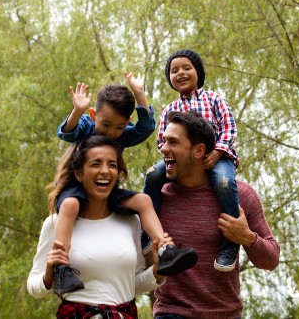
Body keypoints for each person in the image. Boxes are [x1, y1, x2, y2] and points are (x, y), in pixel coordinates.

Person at [53, 73, 197, 295]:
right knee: (70, 205)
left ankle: (165, 249)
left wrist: (139, 93)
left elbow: (146, 128)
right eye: (106, 124)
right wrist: (78, 110)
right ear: (93, 115)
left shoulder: (122, 136)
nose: (111, 133)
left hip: (108, 191)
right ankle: (61, 268)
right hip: (76, 189)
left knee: (143, 200)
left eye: (119, 127)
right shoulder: (86, 125)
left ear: (126, 123)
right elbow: (66, 133)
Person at [28, 135, 174, 318]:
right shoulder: (56, 223)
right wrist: (48, 275)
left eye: (112, 165)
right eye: (96, 164)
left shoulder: (131, 222)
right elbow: (34, 287)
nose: (105, 171)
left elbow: (133, 284)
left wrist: (157, 272)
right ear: (78, 173)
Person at [152, 111, 280, 319]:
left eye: (173, 142)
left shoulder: (240, 196)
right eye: (164, 141)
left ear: (199, 150)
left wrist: (247, 238)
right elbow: (138, 264)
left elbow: (271, 259)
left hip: (226, 314)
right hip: (172, 312)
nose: (164, 148)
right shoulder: (156, 199)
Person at [143, 49, 241, 272]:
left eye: (187, 68)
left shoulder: (214, 100)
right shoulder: (170, 109)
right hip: (182, 160)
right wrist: (171, 154)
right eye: (174, 70)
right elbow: (162, 141)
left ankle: (230, 241)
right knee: (152, 174)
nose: (180, 73)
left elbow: (228, 129)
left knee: (224, 183)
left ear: (198, 72)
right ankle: (147, 230)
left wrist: (216, 152)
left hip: (218, 158)